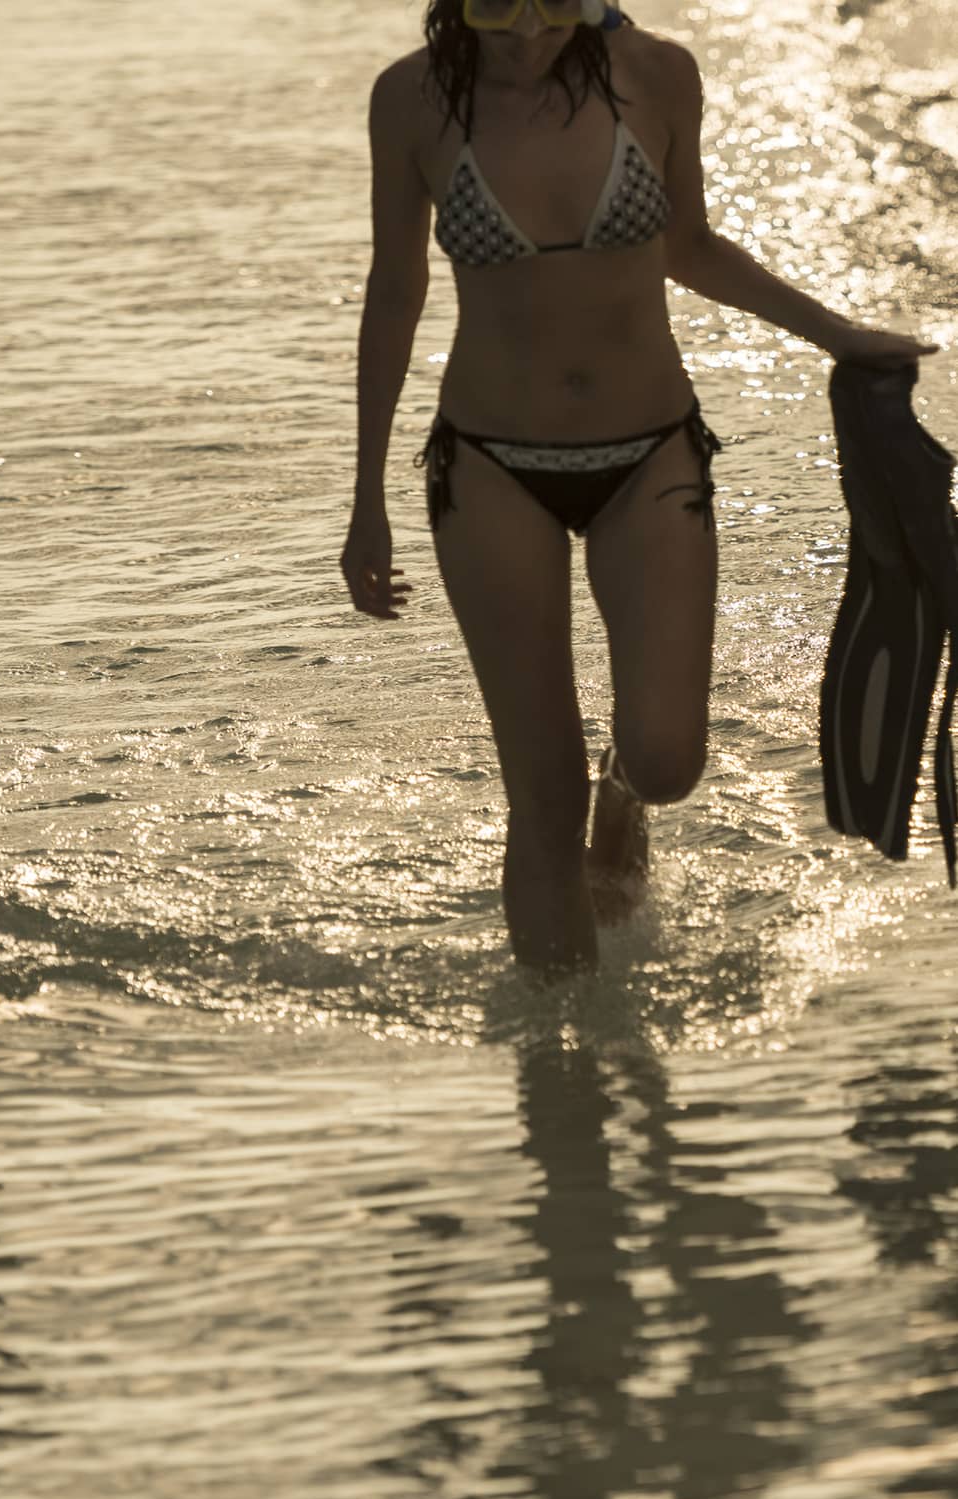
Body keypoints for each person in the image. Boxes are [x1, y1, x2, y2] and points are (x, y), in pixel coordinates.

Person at [341, 0, 937, 973]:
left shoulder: (658, 75)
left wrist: (839, 334)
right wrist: (366, 499)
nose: (528, 41)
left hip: (650, 453)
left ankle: (625, 796)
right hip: (490, 465)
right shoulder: (409, 99)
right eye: (498, 16)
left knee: (667, 760)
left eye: (549, 14)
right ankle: (560, 1065)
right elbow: (395, 288)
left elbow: (690, 247)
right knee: (541, 796)